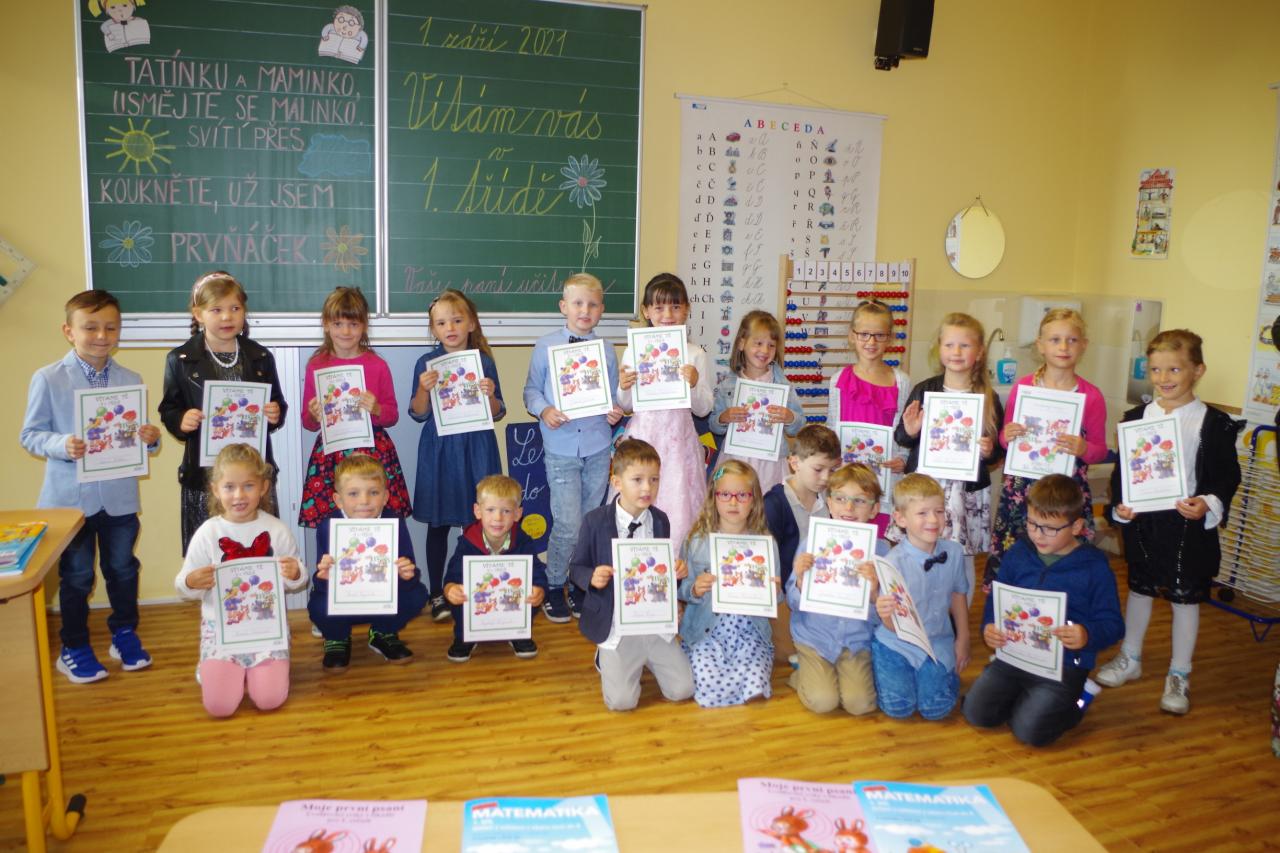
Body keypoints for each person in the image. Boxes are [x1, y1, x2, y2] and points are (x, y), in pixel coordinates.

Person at [1097, 330, 1243, 715]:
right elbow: (1123, 475)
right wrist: (1121, 507)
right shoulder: (1136, 419)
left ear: (1198, 370)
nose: (1163, 378)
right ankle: (1130, 657)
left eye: (1174, 369)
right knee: (1140, 588)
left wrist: (1207, 502)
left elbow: (1226, 475)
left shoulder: (1214, 423)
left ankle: (1179, 673)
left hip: (1186, 524)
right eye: (1156, 370)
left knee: (1185, 597)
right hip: (1145, 523)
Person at [21, 290, 162, 683]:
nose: (102, 335)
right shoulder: (48, 378)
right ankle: (74, 646)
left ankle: (124, 634)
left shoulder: (130, 380)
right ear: (69, 331)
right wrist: (62, 445)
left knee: (123, 570)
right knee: (78, 576)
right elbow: (30, 435)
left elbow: (139, 439)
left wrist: (150, 439)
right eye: (90, 327)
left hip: (119, 499)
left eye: (110, 327)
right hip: (70, 503)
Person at [964, 475, 1123, 746]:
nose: (1037, 534)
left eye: (1049, 528)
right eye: (1032, 524)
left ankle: (1078, 699)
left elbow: (1113, 624)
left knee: (1029, 732)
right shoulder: (1018, 553)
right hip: (1015, 658)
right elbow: (997, 602)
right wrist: (989, 627)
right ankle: (1029, 699)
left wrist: (1086, 634)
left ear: (1076, 526)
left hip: (1063, 666)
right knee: (976, 713)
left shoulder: (1094, 566)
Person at [159, 271, 287, 554]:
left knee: (257, 549)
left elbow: (278, 403)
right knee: (210, 554)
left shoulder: (260, 357)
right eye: (216, 310)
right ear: (198, 314)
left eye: (235, 308)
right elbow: (169, 408)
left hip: (251, 472)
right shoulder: (180, 360)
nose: (227, 317)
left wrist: (275, 413)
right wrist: (181, 420)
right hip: (206, 476)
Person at [174, 445, 307, 717]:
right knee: (219, 707)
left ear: (263, 487)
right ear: (215, 490)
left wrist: (296, 573)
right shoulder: (208, 532)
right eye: (229, 487)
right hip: (221, 631)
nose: (239, 495)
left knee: (269, 700)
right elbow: (182, 586)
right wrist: (191, 581)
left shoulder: (277, 530)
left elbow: (296, 580)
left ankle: (257, 668)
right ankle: (212, 663)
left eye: (248, 485)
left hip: (267, 630)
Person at [524, 273, 622, 622]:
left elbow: (614, 395)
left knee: (590, 522)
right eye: (578, 303)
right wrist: (544, 410)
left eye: (592, 304)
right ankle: (554, 584)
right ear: (563, 306)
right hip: (562, 448)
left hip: (597, 446)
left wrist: (615, 410)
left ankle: (580, 584)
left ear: (601, 310)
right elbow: (531, 391)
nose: (585, 310)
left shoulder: (606, 350)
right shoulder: (545, 346)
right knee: (567, 523)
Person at [569, 439, 694, 711]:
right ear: (617, 482)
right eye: (637, 480)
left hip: (653, 621)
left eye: (654, 479)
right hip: (616, 623)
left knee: (683, 690)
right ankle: (608, 656)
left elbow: (658, 571)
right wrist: (592, 577)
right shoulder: (595, 521)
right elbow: (576, 568)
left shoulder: (660, 520)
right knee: (622, 702)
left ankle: (642, 660)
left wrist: (676, 573)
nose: (647, 488)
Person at [990, 308, 1107, 584]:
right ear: (1040, 345)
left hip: (1066, 493)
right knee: (1018, 560)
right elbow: (1004, 441)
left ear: (1083, 345)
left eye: (1071, 340)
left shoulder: (1091, 396)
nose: (1063, 347)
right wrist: (1008, 435)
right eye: (1055, 340)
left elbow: (1100, 450)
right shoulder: (1023, 388)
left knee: (1063, 565)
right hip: (1023, 492)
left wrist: (1084, 448)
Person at [410, 289, 505, 623]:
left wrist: (490, 394)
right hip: (440, 451)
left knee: (477, 524)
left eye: (457, 320)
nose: (449, 328)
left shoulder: (484, 362)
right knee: (437, 525)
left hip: (477, 448)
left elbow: (497, 411)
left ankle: (475, 590)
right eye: (441, 323)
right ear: (433, 329)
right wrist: (423, 388)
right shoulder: (426, 364)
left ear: (471, 324)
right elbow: (418, 413)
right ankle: (437, 592)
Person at [894, 312, 1004, 602]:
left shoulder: (989, 398)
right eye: (949, 345)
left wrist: (989, 450)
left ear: (979, 352)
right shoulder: (924, 389)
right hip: (925, 487)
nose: (956, 352)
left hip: (966, 492)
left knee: (961, 559)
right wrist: (910, 430)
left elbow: (998, 452)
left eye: (965, 345)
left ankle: (958, 618)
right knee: (918, 550)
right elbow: (902, 437)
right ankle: (918, 610)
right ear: (939, 349)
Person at [298, 287, 410, 529]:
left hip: (372, 450)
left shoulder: (377, 365)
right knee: (331, 520)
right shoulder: (316, 365)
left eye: (353, 324)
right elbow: (307, 423)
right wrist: (314, 415)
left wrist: (376, 408)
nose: (346, 331)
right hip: (332, 452)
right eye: (338, 324)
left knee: (379, 516)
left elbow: (392, 416)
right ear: (326, 325)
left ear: (364, 326)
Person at [615, 273, 714, 548]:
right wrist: (623, 387)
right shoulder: (634, 351)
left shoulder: (695, 354)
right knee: (637, 497)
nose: (668, 314)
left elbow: (704, 409)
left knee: (679, 504)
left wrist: (693, 384)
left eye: (676, 306)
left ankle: (675, 563)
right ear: (646, 311)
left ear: (686, 309)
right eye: (659, 307)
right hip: (644, 437)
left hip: (679, 444)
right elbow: (626, 405)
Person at [309, 455, 427, 672]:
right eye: (353, 494)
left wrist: (407, 574)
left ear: (385, 496)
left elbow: (410, 568)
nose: (364, 501)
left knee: (418, 594)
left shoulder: (394, 522)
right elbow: (321, 582)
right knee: (317, 604)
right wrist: (324, 576)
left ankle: (383, 632)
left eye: (373, 492)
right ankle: (336, 637)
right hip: (345, 600)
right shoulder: (328, 526)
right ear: (338, 500)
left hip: (381, 600)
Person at [787, 463, 886, 715]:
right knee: (823, 701)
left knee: (859, 705)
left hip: (856, 641)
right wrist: (800, 581)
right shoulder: (811, 544)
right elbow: (792, 602)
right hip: (815, 638)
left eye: (859, 501)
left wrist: (874, 593)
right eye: (841, 499)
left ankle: (830, 677)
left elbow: (887, 615)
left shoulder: (882, 552)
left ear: (875, 509)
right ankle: (803, 675)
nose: (849, 508)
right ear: (829, 503)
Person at [679, 460, 780, 707]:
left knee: (756, 683)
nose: (733, 502)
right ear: (714, 498)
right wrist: (695, 589)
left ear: (754, 500)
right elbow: (682, 589)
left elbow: (776, 599)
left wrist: (775, 591)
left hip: (750, 632)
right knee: (707, 680)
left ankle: (746, 684)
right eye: (725, 494)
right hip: (707, 632)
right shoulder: (696, 541)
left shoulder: (765, 544)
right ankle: (723, 685)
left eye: (742, 495)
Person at [869, 473, 969, 720]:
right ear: (900, 519)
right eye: (922, 513)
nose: (933, 520)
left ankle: (940, 676)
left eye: (939, 511)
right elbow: (893, 625)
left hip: (937, 641)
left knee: (935, 709)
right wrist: (885, 614)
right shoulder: (893, 562)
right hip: (895, 643)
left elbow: (958, 595)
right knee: (898, 708)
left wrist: (963, 638)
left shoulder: (954, 552)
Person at [442, 475, 549, 662]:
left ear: (517, 514)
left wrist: (539, 589)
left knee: (529, 592)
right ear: (478, 511)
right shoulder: (467, 543)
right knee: (460, 594)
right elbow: (452, 574)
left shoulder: (523, 541)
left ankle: (519, 633)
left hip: (509, 600)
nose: (498, 518)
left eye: (506, 511)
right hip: (479, 600)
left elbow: (537, 571)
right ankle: (464, 636)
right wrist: (450, 588)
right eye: (490, 510)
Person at [826, 299, 911, 527]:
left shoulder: (901, 382)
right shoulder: (838, 380)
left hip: (884, 486)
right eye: (864, 334)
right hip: (846, 490)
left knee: (880, 541)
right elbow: (831, 428)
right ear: (852, 336)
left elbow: (905, 431)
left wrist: (903, 458)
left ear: (890, 338)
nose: (871, 342)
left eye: (879, 335)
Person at [710, 310, 806, 493]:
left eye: (771, 345)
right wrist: (724, 417)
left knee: (769, 505)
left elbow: (799, 425)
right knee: (734, 503)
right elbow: (714, 425)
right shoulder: (728, 385)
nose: (765, 351)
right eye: (758, 343)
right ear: (742, 343)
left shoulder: (783, 385)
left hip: (771, 463)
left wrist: (790, 417)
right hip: (735, 461)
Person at [764, 424, 840, 588]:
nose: (826, 478)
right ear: (795, 463)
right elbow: (768, 561)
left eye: (832, 470)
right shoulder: (774, 504)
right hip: (786, 594)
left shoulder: (832, 499)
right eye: (818, 469)